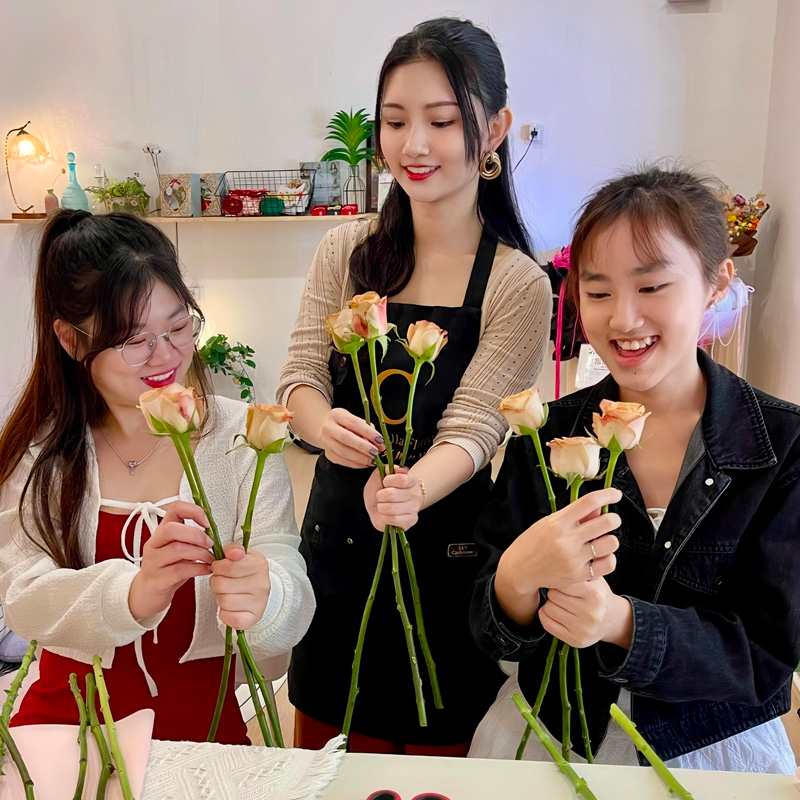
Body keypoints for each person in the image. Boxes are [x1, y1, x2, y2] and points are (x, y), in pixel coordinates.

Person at [278, 17, 552, 755]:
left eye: (442, 120)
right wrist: (320, 425)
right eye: (396, 121)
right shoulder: (346, 250)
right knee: (328, 762)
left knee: (443, 764)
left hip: (447, 558)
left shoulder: (518, 283)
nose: (415, 145)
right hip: (337, 546)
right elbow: (300, 377)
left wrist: (410, 491)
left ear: (494, 130)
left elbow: (474, 427)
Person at [469, 166, 799, 773]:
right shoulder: (543, 433)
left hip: (711, 749)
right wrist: (513, 579)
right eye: (598, 293)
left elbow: (768, 655)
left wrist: (622, 623)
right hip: (551, 735)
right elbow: (487, 625)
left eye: (651, 287)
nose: (622, 319)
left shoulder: (782, 445)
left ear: (717, 283)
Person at [0, 209, 315, 744]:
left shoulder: (242, 436)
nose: (166, 355)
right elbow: (22, 598)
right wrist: (135, 592)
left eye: (178, 326)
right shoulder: (42, 451)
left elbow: (286, 578)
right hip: (68, 728)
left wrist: (269, 597)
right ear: (71, 341)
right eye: (134, 340)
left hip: (201, 729)